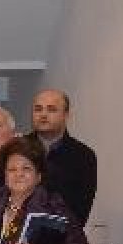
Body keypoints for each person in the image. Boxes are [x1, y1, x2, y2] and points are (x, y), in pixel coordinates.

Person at [26, 89, 97, 225]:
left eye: (51, 109)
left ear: (66, 115)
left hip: (64, 238)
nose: (43, 115)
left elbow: (81, 210)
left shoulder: (83, 156)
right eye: (38, 109)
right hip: (17, 237)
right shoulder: (17, 150)